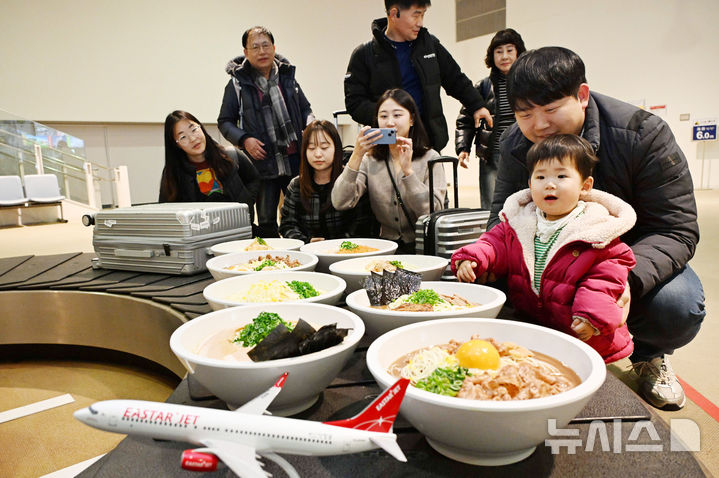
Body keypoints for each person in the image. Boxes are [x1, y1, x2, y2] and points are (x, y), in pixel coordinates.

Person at [487, 46, 705, 410]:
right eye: (525, 114)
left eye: (551, 110)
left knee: (677, 304)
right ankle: (535, 348)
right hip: (551, 260)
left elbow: (675, 229)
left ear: (582, 96)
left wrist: (622, 281)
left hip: (623, 260)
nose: (538, 126)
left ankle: (649, 355)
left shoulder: (642, 135)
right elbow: (503, 218)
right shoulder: (517, 143)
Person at [453, 134, 637, 363]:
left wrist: (592, 317)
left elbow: (605, 278)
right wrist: (473, 258)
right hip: (536, 327)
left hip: (582, 334)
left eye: (561, 176)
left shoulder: (597, 230)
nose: (549, 184)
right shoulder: (520, 221)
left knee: (580, 378)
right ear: (530, 185)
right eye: (540, 176)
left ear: (585, 186)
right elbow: (493, 243)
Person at [344, 0, 491, 152]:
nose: (420, 23)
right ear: (394, 14)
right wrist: (389, 116)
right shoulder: (365, 54)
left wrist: (477, 105)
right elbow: (354, 102)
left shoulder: (430, 45)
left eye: (423, 15)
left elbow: (455, 79)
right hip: (386, 146)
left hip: (427, 142)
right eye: (416, 15)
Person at [218, 26, 314, 237]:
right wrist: (245, 140)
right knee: (266, 219)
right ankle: (270, 262)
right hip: (262, 163)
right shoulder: (237, 84)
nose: (262, 51)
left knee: (303, 214)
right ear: (245, 52)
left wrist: (310, 126)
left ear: (274, 48)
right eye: (255, 47)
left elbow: (306, 108)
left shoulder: (287, 77)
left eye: (266, 45)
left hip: (294, 159)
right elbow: (225, 122)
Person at [332, 88, 446, 254]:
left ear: (412, 119)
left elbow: (431, 212)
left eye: (397, 115)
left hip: (423, 247)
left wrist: (408, 173)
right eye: (383, 116)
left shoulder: (431, 158)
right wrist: (356, 155)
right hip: (385, 248)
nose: (390, 122)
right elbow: (340, 201)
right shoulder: (370, 159)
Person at [455, 28, 526, 209]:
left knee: (525, 205)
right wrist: (463, 147)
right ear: (492, 56)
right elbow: (465, 119)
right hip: (492, 155)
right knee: (491, 207)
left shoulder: (529, 84)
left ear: (518, 52)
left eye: (510, 50)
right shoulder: (483, 87)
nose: (504, 56)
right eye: (499, 51)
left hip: (523, 153)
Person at [279, 120, 376, 242]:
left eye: (324, 147)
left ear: (337, 148)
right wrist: (307, 241)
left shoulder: (351, 180)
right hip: (309, 252)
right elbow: (288, 225)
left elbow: (363, 224)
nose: (318, 154)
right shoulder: (296, 185)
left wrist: (335, 246)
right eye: (311, 148)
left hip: (348, 253)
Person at [159, 110, 259, 220]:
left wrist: (246, 202)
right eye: (183, 137)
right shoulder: (173, 173)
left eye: (194, 129)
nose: (193, 139)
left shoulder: (230, 155)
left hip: (239, 228)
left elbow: (254, 179)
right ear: (175, 144)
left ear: (201, 127)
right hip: (200, 234)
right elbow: (166, 209)